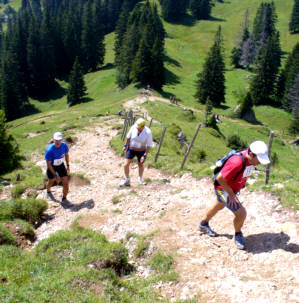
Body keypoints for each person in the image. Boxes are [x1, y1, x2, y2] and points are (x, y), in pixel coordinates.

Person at [199, 141, 270, 249]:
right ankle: (238, 234)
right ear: (251, 154)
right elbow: (219, 178)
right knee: (241, 213)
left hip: (231, 188)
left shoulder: (250, 159)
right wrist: (231, 195)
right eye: (259, 159)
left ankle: (203, 224)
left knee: (219, 204)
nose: (260, 162)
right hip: (223, 188)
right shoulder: (236, 162)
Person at [120, 118, 154, 186]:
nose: (137, 129)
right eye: (137, 127)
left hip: (141, 151)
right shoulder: (133, 127)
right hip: (131, 149)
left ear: (143, 126)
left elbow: (149, 145)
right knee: (125, 165)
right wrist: (125, 145)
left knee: (140, 164)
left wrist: (144, 155)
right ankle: (127, 179)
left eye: (139, 128)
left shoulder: (148, 132)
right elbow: (128, 137)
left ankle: (140, 179)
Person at [45, 132, 70, 202]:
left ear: (61, 139)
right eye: (56, 140)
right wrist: (55, 175)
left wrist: (68, 165)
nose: (58, 142)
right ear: (53, 139)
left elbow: (66, 155)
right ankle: (48, 191)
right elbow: (48, 164)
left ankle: (64, 199)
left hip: (61, 165)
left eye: (59, 140)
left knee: (66, 183)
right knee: (51, 181)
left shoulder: (64, 145)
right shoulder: (49, 150)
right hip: (52, 167)